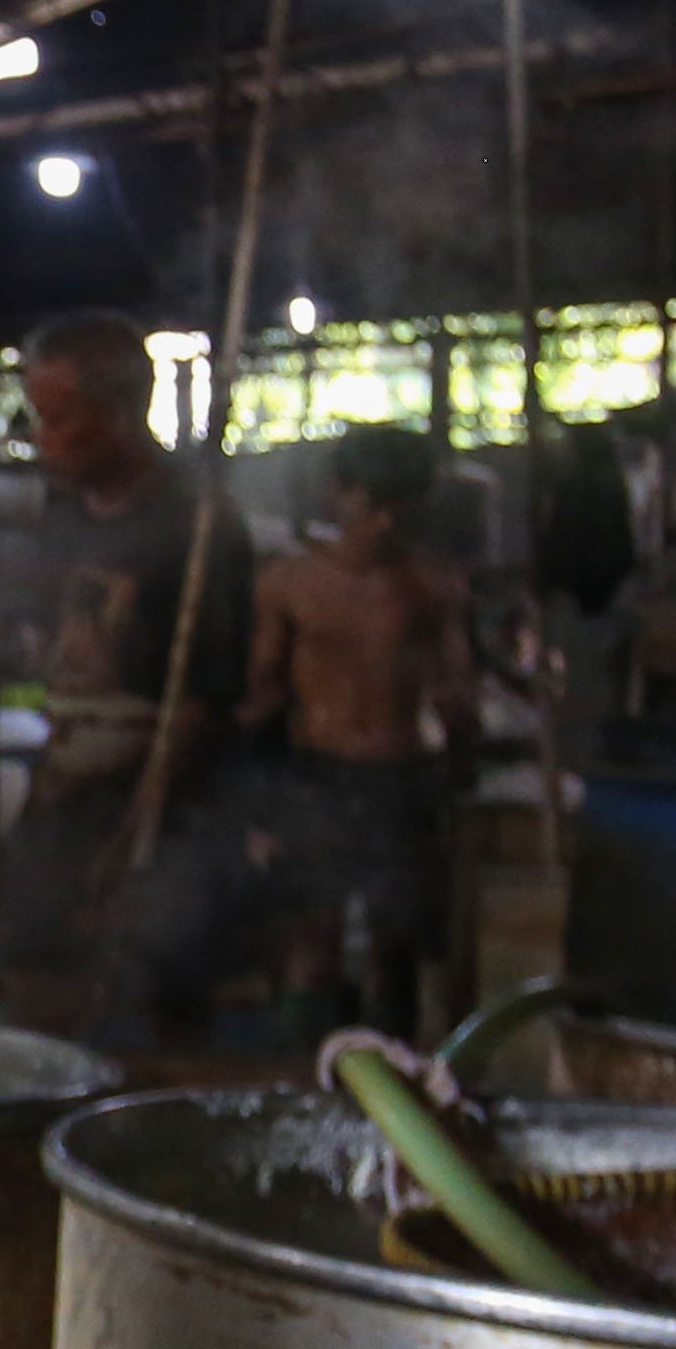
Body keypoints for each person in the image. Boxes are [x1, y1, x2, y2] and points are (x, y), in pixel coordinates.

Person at [0, 312, 253, 1044]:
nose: (44, 437)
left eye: (62, 418)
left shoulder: (197, 524)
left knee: (153, 967)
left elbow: (205, 695)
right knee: (29, 949)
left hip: (163, 782)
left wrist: (142, 813)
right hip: (67, 766)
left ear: (122, 412)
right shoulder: (62, 509)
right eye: (38, 417)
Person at [242, 422, 477, 1029]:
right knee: (309, 936)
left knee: (396, 940)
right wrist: (250, 793)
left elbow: (456, 689)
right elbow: (261, 692)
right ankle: (308, 1066)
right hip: (317, 775)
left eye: (400, 511)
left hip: (399, 778)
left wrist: (460, 774)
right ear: (337, 495)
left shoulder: (434, 584)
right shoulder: (292, 583)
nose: (385, 526)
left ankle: (392, 1071)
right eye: (372, 507)